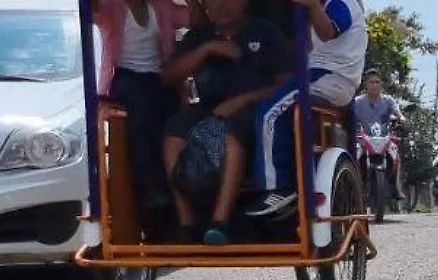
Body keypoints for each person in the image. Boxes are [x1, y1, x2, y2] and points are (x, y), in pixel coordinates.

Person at [160, 0, 291, 243]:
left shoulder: (265, 31)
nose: (220, 5)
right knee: (173, 131)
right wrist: (207, 49)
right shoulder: (199, 36)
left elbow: (285, 83)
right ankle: (186, 223)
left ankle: (220, 221)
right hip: (209, 107)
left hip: (256, 108)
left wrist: (242, 100)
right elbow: (169, 76)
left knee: (234, 129)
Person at [248, 0, 366, 218]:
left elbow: (328, 32)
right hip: (327, 75)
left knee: (268, 114)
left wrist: (311, 6)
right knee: (275, 106)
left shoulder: (344, 3)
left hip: (329, 76)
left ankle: (278, 188)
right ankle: (291, 176)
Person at [94, 0, 183, 207]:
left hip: (158, 77)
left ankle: (174, 187)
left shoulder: (161, 6)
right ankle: (147, 184)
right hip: (125, 76)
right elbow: (91, 10)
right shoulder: (112, 6)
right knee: (141, 107)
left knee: (173, 113)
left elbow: (196, 20)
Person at [351, 69, 403, 194]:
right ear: (365, 84)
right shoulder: (357, 102)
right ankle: (354, 186)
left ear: (381, 84)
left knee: (396, 155)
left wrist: (402, 119)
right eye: (371, 82)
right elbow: (348, 114)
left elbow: (398, 113)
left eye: (377, 82)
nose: (374, 85)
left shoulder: (388, 100)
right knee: (354, 155)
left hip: (384, 136)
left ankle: (395, 186)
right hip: (362, 138)